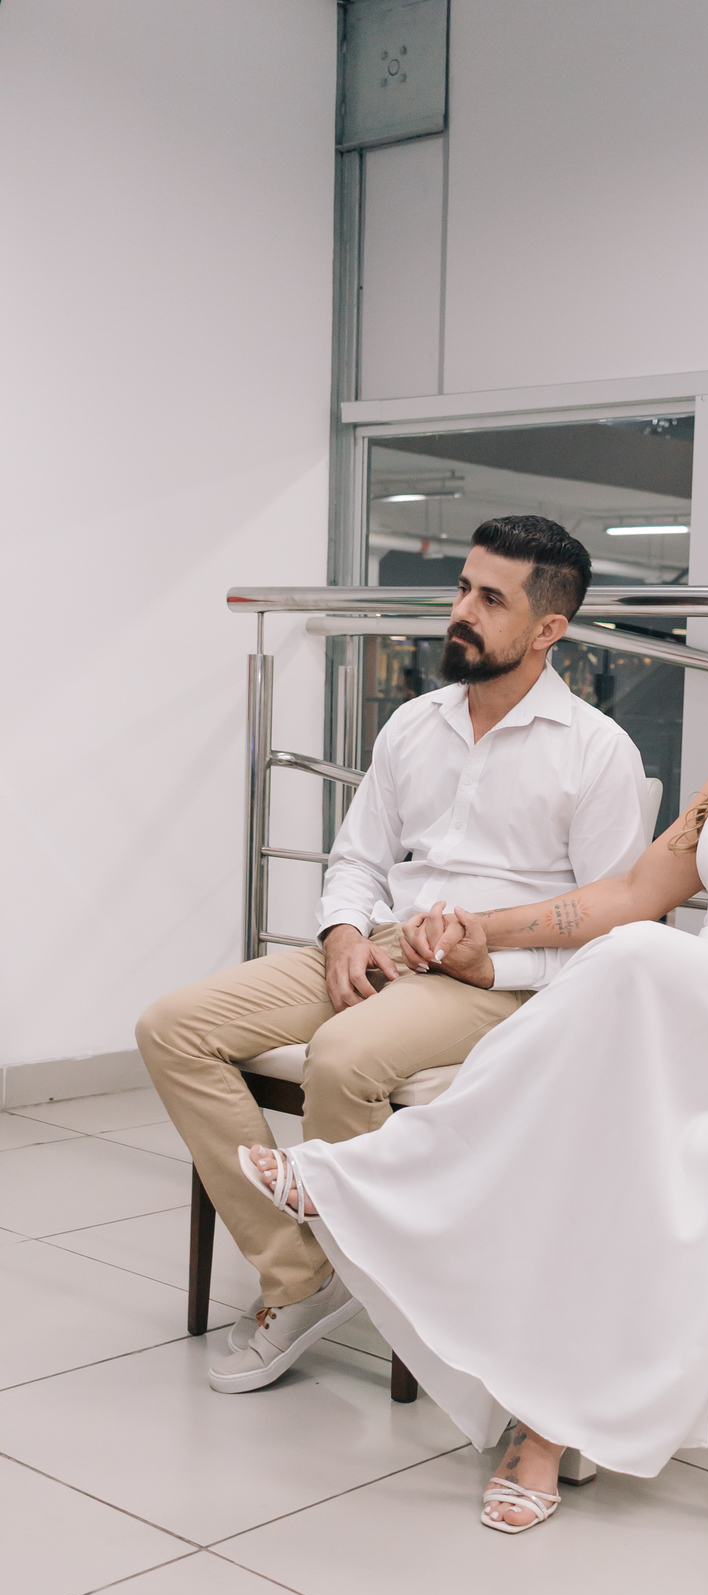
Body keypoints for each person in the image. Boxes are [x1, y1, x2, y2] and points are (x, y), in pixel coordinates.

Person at [238, 559, 708, 1535]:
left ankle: (378, 1177)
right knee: (611, 1103)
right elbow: (631, 895)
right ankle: (542, 1426)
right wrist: (482, 930)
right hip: (691, 1010)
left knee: (639, 964)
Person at [137, 515, 649, 1393]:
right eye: (463, 589)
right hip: (383, 945)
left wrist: (495, 962)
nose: (463, 611)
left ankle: (359, 1279)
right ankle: (304, 1272)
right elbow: (358, 861)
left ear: (549, 629)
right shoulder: (415, 724)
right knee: (172, 1027)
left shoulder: (598, 753)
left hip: (497, 978)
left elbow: (612, 929)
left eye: (492, 600)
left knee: (343, 1057)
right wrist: (341, 932)